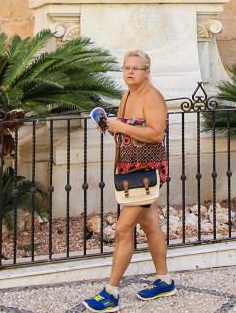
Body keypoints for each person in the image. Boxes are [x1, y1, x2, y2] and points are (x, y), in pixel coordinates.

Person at [83, 50, 174, 312]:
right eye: (126, 68)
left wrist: (121, 127)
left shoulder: (152, 97)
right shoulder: (127, 95)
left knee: (123, 229)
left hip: (146, 173)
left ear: (147, 72)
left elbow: (156, 134)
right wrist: (109, 126)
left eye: (135, 68)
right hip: (128, 172)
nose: (130, 72)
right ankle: (165, 280)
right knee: (151, 226)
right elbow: (126, 131)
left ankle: (111, 291)